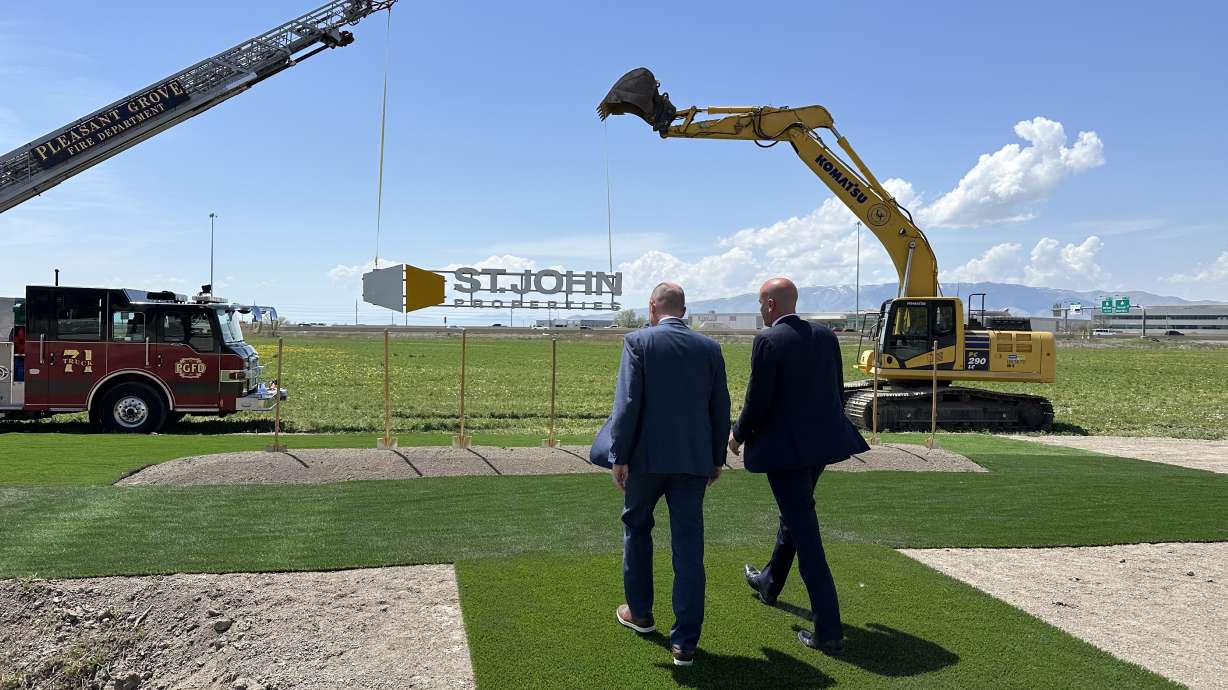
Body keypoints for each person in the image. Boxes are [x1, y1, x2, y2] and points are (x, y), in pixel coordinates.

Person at [591, 282, 730, 667]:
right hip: (692, 462)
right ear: (683, 310)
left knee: (636, 528)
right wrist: (716, 458)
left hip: (645, 461)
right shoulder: (710, 349)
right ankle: (685, 642)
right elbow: (721, 407)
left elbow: (628, 403)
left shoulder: (638, 342)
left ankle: (640, 613)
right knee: (689, 547)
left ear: (653, 307)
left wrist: (619, 456)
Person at [728, 277, 869, 656]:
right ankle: (770, 582)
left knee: (806, 533)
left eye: (760, 303)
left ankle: (829, 630)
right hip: (821, 446)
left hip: (786, 452)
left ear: (771, 305)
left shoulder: (769, 340)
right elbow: (837, 390)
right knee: (795, 516)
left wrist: (738, 435)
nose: (759, 309)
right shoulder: (825, 336)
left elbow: (758, 399)